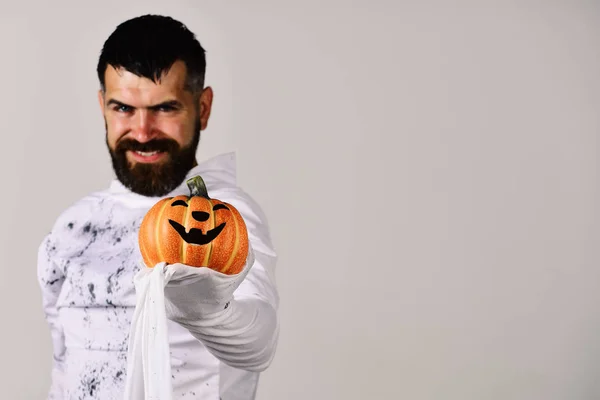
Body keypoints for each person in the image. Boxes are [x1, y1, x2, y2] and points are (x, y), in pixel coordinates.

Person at [36, 14, 279, 400]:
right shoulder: (72, 225)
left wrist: (206, 310)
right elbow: (63, 364)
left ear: (203, 107)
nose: (143, 131)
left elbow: (259, 342)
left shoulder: (224, 216)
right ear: (102, 106)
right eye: (123, 109)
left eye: (165, 109)